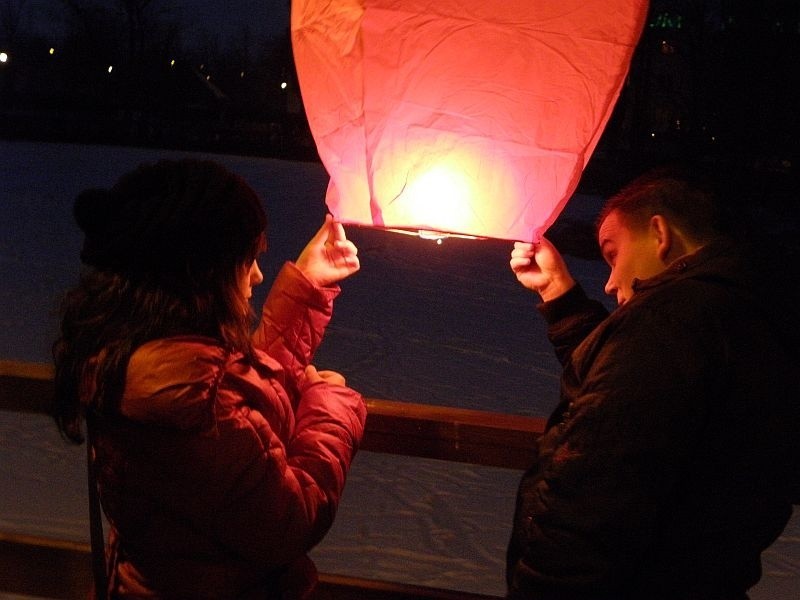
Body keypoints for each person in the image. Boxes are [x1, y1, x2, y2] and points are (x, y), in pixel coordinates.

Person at [52, 158, 367, 599]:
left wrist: (306, 289)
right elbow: (287, 523)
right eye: (248, 259)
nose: (258, 274)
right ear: (202, 272)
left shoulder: (132, 356)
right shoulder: (196, 407)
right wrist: (331, 405)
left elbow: (235, 400)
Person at [505, 167, 800, 600]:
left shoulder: (673, 318)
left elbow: (595, 489)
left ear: (660, 234)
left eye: (613, 254)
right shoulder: (742, 310)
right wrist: (559, 292)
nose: (608, 282)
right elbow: (630, 386)